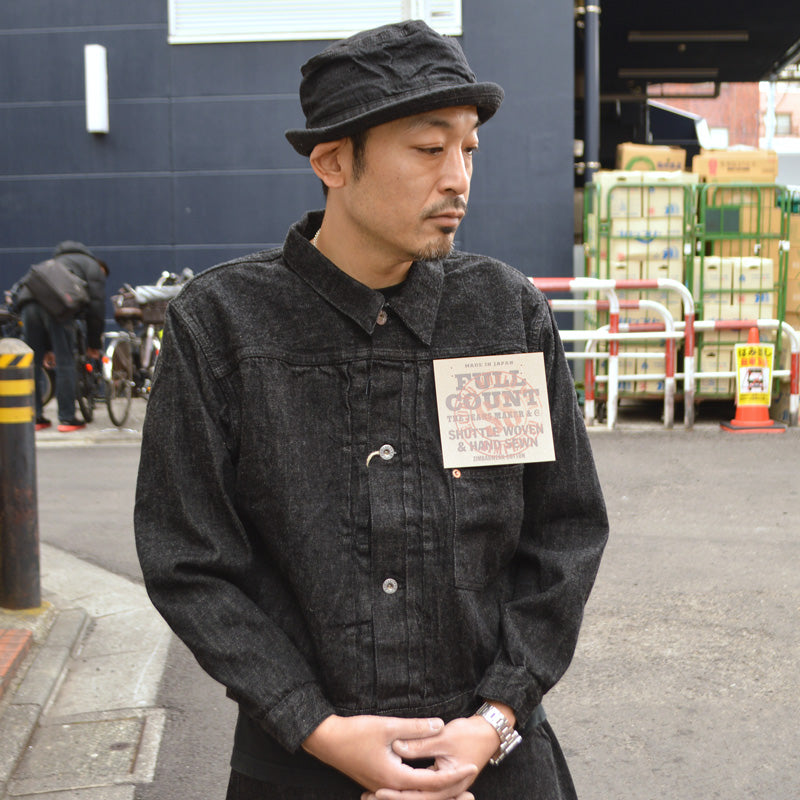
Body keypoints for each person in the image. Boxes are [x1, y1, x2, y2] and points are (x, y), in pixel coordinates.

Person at [134, 20, 608, 800]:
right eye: (428, 149)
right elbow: (189, 561)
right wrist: (315, 726)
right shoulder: (224, 324)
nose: (458, 178)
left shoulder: (502, 312)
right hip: (299, 766)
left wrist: (495, 718)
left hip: (493, 759)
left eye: (469, 149)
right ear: (332, 162)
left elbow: (565, 530)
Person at [16, 241, 108, 432]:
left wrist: (48, 347)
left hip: (28, 302)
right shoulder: (93, 266)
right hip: (59, 307)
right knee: (65, 362)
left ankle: (35, 418)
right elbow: (96, 306)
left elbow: (46, 295)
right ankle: (67, 418)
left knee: (33, 363)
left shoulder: (55, 262)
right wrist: (93, 344)